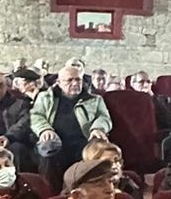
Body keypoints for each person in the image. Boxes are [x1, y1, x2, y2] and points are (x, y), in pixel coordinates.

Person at [30, 61, 113, 190]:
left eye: (78, 80)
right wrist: (44, 129)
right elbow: (36, 116)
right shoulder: (45, 97)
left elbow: (104, 117)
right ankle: (51, 194)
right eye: (69, 80)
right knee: (49, 155)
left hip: (84, 141)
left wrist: (98, 128)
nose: (75, 83)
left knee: (95, 154)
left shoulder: (94, 99)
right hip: (54, 141)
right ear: (59, 82)